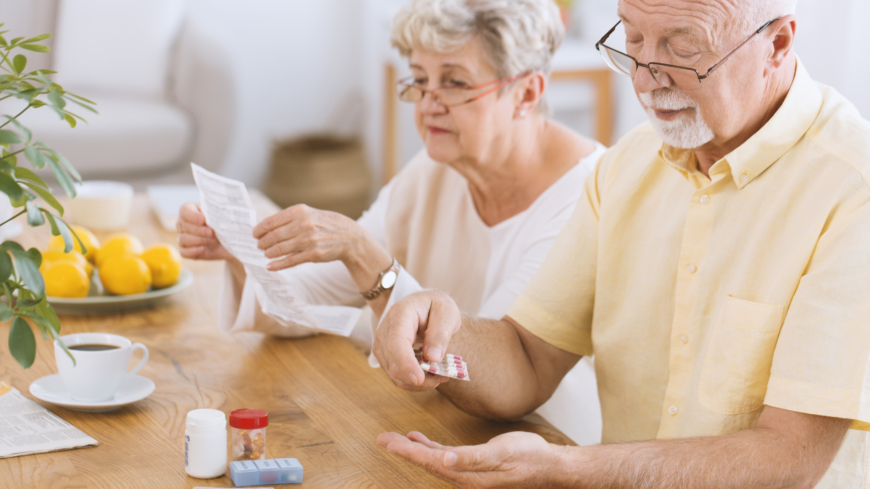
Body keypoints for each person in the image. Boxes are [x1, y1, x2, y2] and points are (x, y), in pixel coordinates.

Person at [373, 0, 870, 487]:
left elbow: (789, 457)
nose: (647, 77)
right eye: (633, 39)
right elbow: (528, 357)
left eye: (684, 47)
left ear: (777, 43)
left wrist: (566, 469)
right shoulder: (627, 164)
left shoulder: (853, 189)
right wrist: (439, 327)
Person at [177, 0, 606, 444]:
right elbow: (320, 300)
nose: (428, 105)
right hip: (437, 425)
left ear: (527, 93)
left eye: (455, 82)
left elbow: (502, 379)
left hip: (540, 442)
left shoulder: (587, 193)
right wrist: (243, 251)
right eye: (420, 81)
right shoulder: (438, 165)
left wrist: (364, 254)